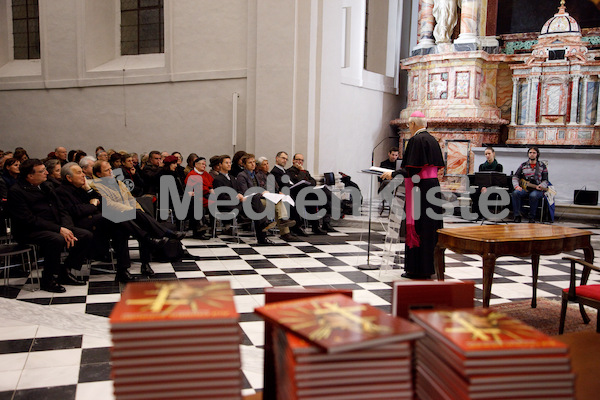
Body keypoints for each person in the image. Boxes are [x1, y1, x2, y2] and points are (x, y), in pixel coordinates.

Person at [7, 159, 92, 293]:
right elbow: (29, 220)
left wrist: (67, 227)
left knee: (84, 235)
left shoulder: (46, 186)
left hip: (54, 226)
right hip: (30, 230)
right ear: (30, 175)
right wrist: (59, 229)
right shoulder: (16, 191)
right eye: (42, 171)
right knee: (56, 239)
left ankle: (66, 270)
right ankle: (49, 279)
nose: (46, 173)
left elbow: (61, 209)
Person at [90, 161, 185, 277]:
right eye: (107, 170)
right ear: (99, 174)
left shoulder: (119, 183)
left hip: (128, 214)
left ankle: (145, 264)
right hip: (111, 219)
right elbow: (108, 204)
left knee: (144, 223)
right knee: (122, 231)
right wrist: (131, 211)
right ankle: (123, 269)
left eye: (111, 169)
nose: (111, 172)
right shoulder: (95, 185)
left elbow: (131, 200)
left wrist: (141, 213)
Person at [381, 111, 445, 280]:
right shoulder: (432, 140)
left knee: (419, 228)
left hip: (420, 190)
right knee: (431, 229)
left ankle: (417, 269)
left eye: (409, 125)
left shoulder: (416, 140)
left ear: (412, 124)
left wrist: (393, 174)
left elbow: (411, 169)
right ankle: (431, 266)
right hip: (433, 188)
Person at [56, 163, 137, 283]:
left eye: (82, 172)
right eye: (79, 173)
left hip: (94, 221)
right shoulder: (62, 191)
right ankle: (146, 238)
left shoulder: (81, 188)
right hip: (78, 224)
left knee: (120, 230)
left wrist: (88, 190)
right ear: (69, 178)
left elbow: (101, 201)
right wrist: (92, 205)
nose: (83, 175)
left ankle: (122, 270)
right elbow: (76, 211)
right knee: (118, 217)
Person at [212, 155, 276, 244]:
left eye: (230, 163)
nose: (229, 164)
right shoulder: (218, 179)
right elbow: (221, 196)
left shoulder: (231, 177)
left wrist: (240, 195)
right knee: (256, 206)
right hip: (227, 205)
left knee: (256, 201)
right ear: (220, 164)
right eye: (226, 163)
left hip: (238, 203)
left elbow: (238, 190)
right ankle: (264, 227)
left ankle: (262, 234)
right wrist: (236, 197)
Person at [236, 154, 297, 241]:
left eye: (254, 162)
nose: (253, 164)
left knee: (278, 201)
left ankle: (284, 228)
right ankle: (283, 227)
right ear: (244, 165)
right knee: (276, 203)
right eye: (250, 163)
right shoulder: (242, 175)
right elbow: (246, 191)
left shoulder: (255, 174)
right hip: (250, 201)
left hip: (258, 198)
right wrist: (261, 192)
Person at [287, 153, 334, 234]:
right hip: (297, 195)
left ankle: (325, 222)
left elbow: (313, 182)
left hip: (309, 193)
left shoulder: (306, 171)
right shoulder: (289, 171)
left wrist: (306, 178)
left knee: (324, 191)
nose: (300, 162)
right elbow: (299, 181)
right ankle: (316, 226)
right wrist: (302, 171)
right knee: (315, 198)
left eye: (302, 160)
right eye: (298, 159)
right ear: (293, 160)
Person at [511, 146, 549, 223]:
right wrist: (517, 186)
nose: (532, 154)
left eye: (534, 153)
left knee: (533, 195)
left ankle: (532, 217)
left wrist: (541, 186)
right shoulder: (523, 165)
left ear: (537, 154)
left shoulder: (542, 165)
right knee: (515, 193)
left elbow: (545, 180)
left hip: (537, 189)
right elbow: (515, 176)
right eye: (530, 152)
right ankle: (517, 216)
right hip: (525, 188)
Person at [471, 146, 503, 219]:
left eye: (489, 153)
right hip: (483, 186)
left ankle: (486, 213)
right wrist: (482, 187)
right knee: (475, 193)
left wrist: (487, 188)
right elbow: (480, 179)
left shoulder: (498, 166)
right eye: (486, 154)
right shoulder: (482, 166)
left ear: (493, 154)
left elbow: (498, 180)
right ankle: (477, 213)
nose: (487, 156)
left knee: (489, 194)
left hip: (493, 187)